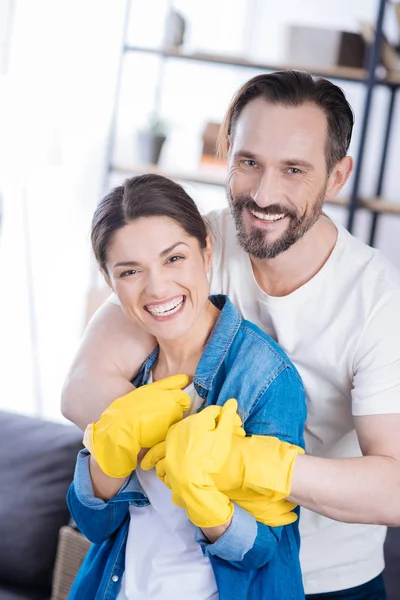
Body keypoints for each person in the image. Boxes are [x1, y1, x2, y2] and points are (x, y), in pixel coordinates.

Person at [62, 70, 400, 600]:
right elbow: (82, 387)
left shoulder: (378, 299)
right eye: (249, 163)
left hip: (325, 580)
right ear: (228, 153)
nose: (264, 194)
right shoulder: (194, 245)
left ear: (337, 177)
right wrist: (177, 448)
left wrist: (250, 463)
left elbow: (395, 487)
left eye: (294, 169)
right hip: (188, 565)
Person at [67, 173, 307, 600]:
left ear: (206, 252)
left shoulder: (264, 376)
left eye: (173, 259)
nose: (157, 287)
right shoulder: (126, 368)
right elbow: (93, 524)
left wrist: (202, 493)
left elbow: (264, 552)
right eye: (130, 271)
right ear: (110, 282)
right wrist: (112, 446)